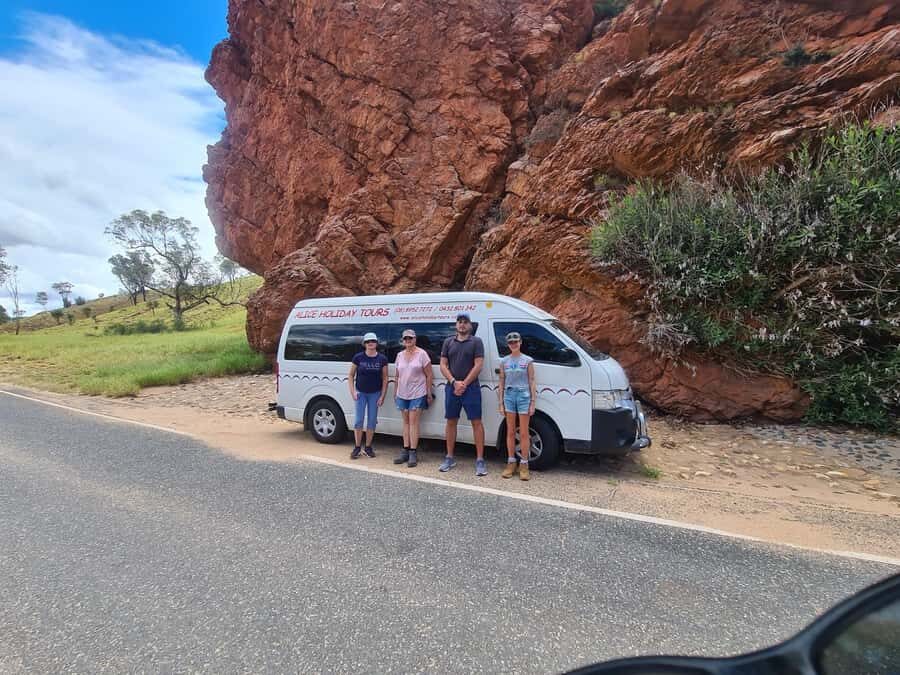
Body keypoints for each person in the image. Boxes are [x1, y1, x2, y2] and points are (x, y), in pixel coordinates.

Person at [439, 313, 487, 475]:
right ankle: (449, 457)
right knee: (451, 421)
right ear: (456, 325)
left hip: (471, 388)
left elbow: (479, 364)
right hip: (452, 387)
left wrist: (464, 383)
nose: (462, 325)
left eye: (465, 322)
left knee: (476, 422)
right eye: (459, 322)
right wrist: (454, 382)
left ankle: (480, 460)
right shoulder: (448, 342)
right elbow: (443, 364)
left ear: (470, 325)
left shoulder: (476, 342)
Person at [497, 331, 536, 481]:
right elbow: (501, 382)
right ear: (508, 344)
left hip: (523, 396)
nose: (513, 344)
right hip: (509, 396)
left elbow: (532, 380)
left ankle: (524, 464)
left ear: (520, 342)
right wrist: (500, 403)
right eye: (511, 342)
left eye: (516, 341)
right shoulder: (504, 362)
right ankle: (511, 462)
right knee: (510, 431)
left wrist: (533, 402)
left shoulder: (528, 361)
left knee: (524, 432)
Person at [392, 329, 433, 468]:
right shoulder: (399, 355)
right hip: (402, 393)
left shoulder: (422, 354)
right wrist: (395, 392)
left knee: (413, 422)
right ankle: (405, 450)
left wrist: (428, 393)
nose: (408, 341)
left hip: (418, 392)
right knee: (405, 423)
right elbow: (397, 376)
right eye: (405, 339)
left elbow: (429, 375)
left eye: (410, 338)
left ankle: (413, 452)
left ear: (415, 339)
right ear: (403, 341)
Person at [348, 332, 388, 459]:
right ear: (364, 344)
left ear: (376, 343)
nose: (370, 343)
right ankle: (357, 447)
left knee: (371, 421)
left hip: (375, 393)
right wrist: (353, 391)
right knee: (359, 420)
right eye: (368, 341)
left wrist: (382, 396)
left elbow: (385, 379)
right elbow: (350, 375)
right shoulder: (358, 358)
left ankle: (368, 447)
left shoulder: (382, 359)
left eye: (373, 341)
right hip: (361, 392)